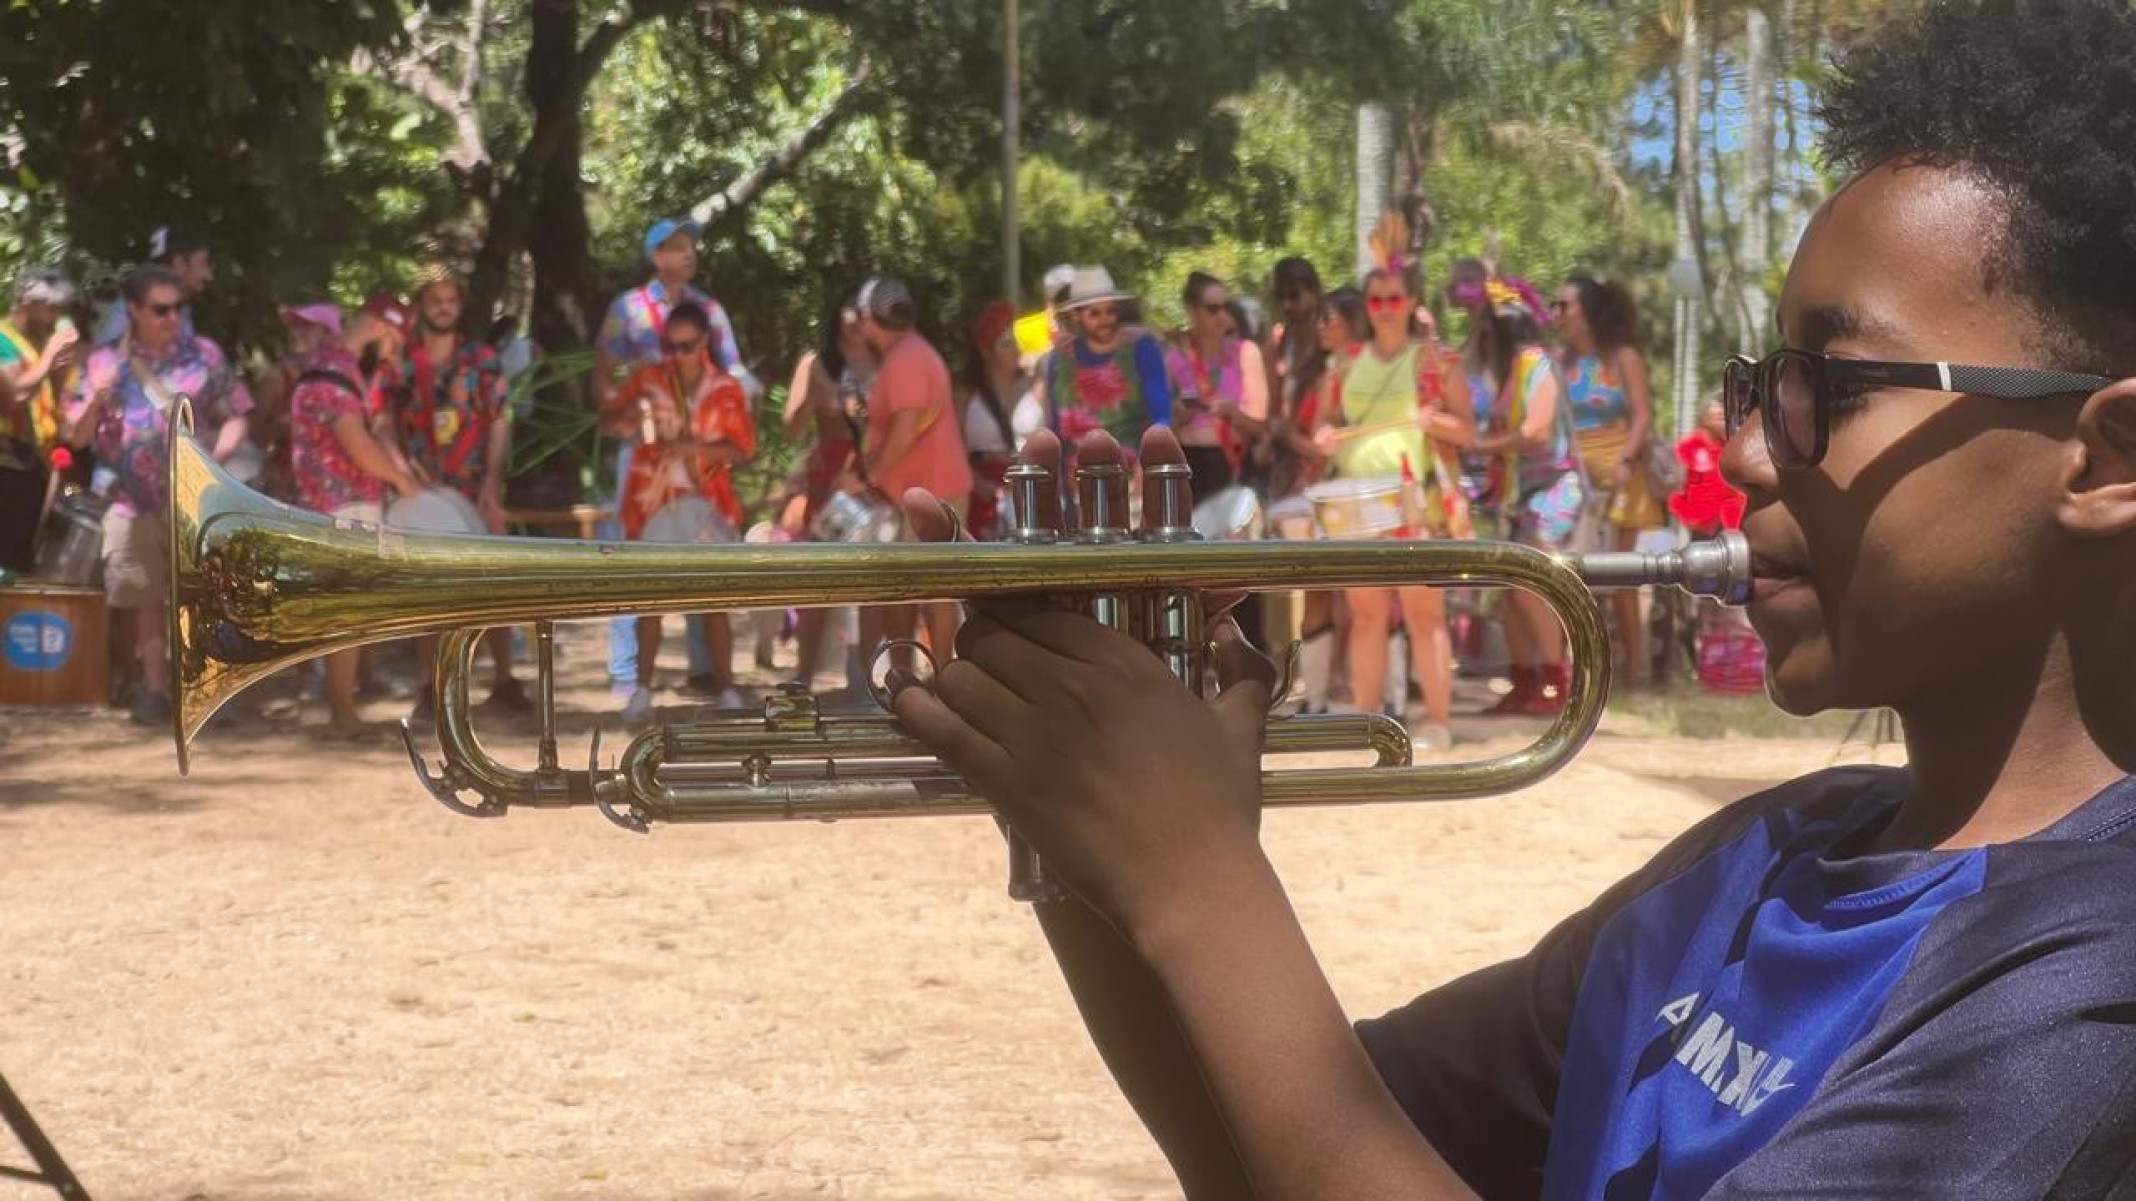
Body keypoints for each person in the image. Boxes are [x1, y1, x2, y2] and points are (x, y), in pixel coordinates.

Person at [887, 0, 2136, 1193]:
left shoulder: (2088, 989)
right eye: (1761, 384)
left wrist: (1192, 879)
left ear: (2102, 461)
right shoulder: (1769, 856)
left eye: (1836, 386)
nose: (1753, 449)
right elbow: (1272, 1157)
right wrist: (1083, 827)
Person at [64, 265, 252, 725]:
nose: (172, 318)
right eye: (160, 309)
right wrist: (94, 399)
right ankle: (153, 690)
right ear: (134, 310)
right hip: (131, 498)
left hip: (196, 498)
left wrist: (219, 459)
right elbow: (76, 437)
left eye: (178, 308)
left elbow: (239, 411)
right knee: (144, 596)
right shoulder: (103, 362)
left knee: (202, 595)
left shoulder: (204, 354)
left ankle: (205, 690)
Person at [595, 218, 760, 701]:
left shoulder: (709, 309)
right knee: (635, 563)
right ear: (655, 255)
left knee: (706, 570)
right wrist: (625, 408)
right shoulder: (627, 308)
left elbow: (731, 369)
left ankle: (706, 673)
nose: (689, 253)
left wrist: (732, 403)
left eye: (692, 246)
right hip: (644, 454)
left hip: (700, 457)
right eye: (677, 246)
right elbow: (602, 378)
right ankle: (628, 676)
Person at [1309, 263, 1474, 746]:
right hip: (1356, 500)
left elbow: (1467, 431)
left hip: (1413, 500)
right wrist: (1321, 438)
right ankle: (1367, 723)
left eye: (1393, 298)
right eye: (1376, 299)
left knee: (1424, 613)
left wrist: (1435, 422)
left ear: (1411, 303)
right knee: (1365, 615)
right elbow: (1323, 427)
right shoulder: (1343, 364)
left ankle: (1439, 723)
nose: (1384, 309)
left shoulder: (1437, 361)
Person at [388, 268, 531, 718]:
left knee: (494, 579)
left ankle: (504, 678)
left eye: (451, 299)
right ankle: (431, 686)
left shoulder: (482, 359)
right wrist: (397, 466)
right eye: (435, 299)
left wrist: (493, 481)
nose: (443, 307)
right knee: (426, 589)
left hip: (473, 486)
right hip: (423, 488)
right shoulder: (404, 363)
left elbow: (499, 419)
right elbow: (382, 418)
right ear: (421, 305)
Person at [282, 303, 428, 739]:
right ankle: (341, 712)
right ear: (381, 329)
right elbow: (355, 442)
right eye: (393, 342)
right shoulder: (334, 372)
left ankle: (345, 705)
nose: (392, 354)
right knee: (346, 610)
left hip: (330, 499)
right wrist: (402, 481)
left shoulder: (331, 365)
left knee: (348, 609)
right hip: (342, 501)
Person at [845, 276, 971, 668]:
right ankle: (914, 678)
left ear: (868, 319)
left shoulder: (908, 359)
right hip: (923, 492)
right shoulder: (912, 353)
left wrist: (868, 476)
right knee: (915, 590)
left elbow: (903, 431)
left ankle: (933, 681)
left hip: (927, 494)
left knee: (930, 593)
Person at [1471, 278, 1583, 716]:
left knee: (1532, 589)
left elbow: (1536, 432)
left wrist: (1485, 448)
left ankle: (1557, 680)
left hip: (1553, 490)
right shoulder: (1513, 370)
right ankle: (1524, 680)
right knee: (1508, 590)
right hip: (1522, 494)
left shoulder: (1538, 365)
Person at [1557, 273, 1665, 685]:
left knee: (1621, 575)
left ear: (1587, 313)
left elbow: (1641, 416)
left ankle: (1636, 669)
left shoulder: (1623, 358)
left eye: (1566, 306)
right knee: (1570, 571)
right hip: (1573, 474)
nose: (1559, 314)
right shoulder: (1559, 362)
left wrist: (1625, 459)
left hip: (1622, 469)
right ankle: (1574, 670)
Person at [771, 305, 874, 693]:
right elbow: (792, 427)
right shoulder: (816, 365)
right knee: (819, 579)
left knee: (870, 580)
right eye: (845, 327)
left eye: (858, 326)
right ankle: (804, 674)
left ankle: (863, 675)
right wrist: (813, 395)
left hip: (870, 479)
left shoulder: (883, 364)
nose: (852, 334)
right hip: (828, 482)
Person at [1029, 267, 1172, 459]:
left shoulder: (1141, 349)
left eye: (1110, 311)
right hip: (1076, 477)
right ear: (1076, 316)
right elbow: (1054, 427)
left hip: (1133, 472)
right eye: (1094, 314)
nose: (1105, 320)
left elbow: (1160, 415)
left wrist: (1149, 464)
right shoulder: (1059, 361)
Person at [0, 272, 81, 572]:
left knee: (25, 554)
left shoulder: (35, 342)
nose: (55, 316)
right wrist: (48, 357)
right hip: (8, 460)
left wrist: (58, 372)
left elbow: (46, 398)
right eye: (50, 308)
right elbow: (16, 395)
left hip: (35, 461)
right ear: (26, 303)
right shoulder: (3, 339)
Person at [1166, 272, 1269, 499]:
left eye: (1226, 308)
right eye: (1212, 309)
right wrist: (1179, 416)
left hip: (1237, 464)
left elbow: (1260, 428)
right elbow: (1162, 430)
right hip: (1191, 467)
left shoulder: (1246, 353)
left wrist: (1233, 413)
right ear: (1193, 312)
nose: (1222, 316)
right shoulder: (1174, 359)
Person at [960, 300, 1044, 540]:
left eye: (1017, 342)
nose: (1016, 349)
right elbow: (954, 447)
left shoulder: (1035, 385)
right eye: (1006, 343)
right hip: (982, 487)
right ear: (986, 350)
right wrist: (977, 483)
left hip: (1029, 481)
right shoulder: (965, 394)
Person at [93, 227, 212, 347]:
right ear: (179, 264)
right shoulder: (127, 314)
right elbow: (107, 360)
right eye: (203, 264)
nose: (208, 276)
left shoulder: (183, 312)